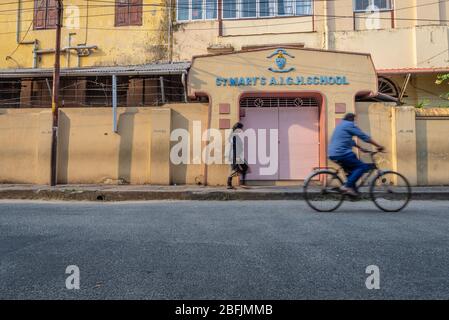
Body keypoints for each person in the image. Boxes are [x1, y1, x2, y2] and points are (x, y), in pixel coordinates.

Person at [328, 113, 384, 196]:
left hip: (333, 153)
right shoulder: (349, 125)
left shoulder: (340, 126)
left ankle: (352, 192)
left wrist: (360, 148)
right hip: (341, 153)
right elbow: (364, 136)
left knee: (352, 170)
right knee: (361, 167)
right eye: (354, 120)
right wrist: (378, 146)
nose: (355, 122)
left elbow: (349, 141)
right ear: (352, 119)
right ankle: (347, 187)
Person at [227, 122, 249, 189]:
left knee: (244, 167)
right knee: (235, 170)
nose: (242, 130)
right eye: (241, 128)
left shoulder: (235, 135)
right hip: (235, 156)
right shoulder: (233, 136)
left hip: (238, 155)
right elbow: (234, 148)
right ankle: (229, 184)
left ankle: (243, 183)